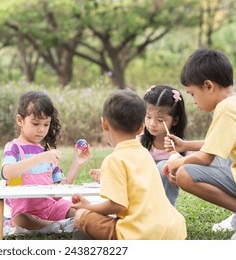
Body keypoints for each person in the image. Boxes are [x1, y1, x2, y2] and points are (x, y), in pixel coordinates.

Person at [71, 90, 187, 240]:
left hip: (141, 234)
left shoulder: (113, 160)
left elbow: (118, 206)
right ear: (141, 128)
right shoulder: (145, 153)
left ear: (104, 123)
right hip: (173, 231)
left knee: (81, 216)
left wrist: (88, 206)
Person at [163, 48, 236, 240]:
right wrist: (184, 146)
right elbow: (218, 143)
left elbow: (206, 157)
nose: (193, 101)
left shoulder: (225, 108)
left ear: (208, 86)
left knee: (185, 174)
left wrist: (178, 163)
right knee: (222, 160)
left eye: (192, 94)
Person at [0, 91, 90, 234]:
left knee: (80, 210)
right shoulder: (14, 147)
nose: (41, 129)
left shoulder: (47, 152)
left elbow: (57, 194)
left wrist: (76, 165)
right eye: (35, 123)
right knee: (19, 219)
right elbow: (7, 172)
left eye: (46, 124)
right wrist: (40, 157)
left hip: (51, 206)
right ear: (20, 120)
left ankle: (56, 224)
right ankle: (56, 225)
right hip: (26, 210)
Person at [90, 85, 188, 206]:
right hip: (140, 189)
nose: (152, 124)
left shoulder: (179, 144)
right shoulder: (139, 138)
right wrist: (107, 172)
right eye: (148, 117)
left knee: (164, 166)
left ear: (175, 120)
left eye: (160, 120)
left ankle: (163, 209)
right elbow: (123, 161)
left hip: (163, 199)